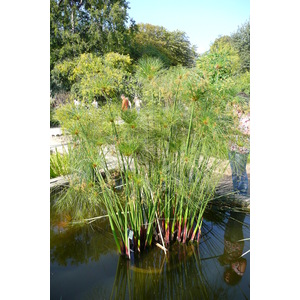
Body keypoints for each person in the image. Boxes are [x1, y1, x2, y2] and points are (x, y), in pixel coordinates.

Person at [219, 211, 248, 286]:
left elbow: (225, 256)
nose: (227, 276)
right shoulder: (240, 272)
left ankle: (235, 208)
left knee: (230, 223)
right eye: (228, 278)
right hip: (236, 244)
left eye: (225, 277)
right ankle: (241, 209)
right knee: (237, 225)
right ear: (233, 278)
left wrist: (223, 259)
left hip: (228, 241)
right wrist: (234, 266)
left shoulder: (229, 266)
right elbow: (244, 261)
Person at [229, 102, 250, 196]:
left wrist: (237, 131)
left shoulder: (248, 117)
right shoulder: (234, 116)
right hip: (231, 146)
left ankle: (243, 192)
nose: (234, 106)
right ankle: (235, 191)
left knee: (240, 171)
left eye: (236, 103)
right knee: (234, 171)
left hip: (241, 149)